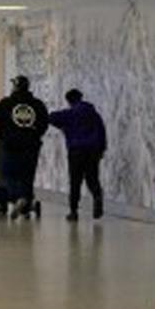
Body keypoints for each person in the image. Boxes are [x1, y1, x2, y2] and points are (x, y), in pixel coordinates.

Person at [0, 76, 49, 219]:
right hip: (31, 146)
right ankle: (25, 201)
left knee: (8, 174)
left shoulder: (6, 103)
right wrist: (34, 136)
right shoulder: (37, 104)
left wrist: (1, 137)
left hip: (10, 145)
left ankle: (17, 198)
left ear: (15, 87)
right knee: (27, 175)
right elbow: (44, 123)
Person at [48, 88, 107, 222]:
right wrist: (101, 150)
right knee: (92, 178)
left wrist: (63, 127)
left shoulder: (70, 113)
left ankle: (73, 212)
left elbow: (50, 118)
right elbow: (102, 132)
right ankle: (97, 196)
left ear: (69, 100)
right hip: (93, 151)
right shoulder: (94, 114)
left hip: (76, 152)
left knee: (75, 181)